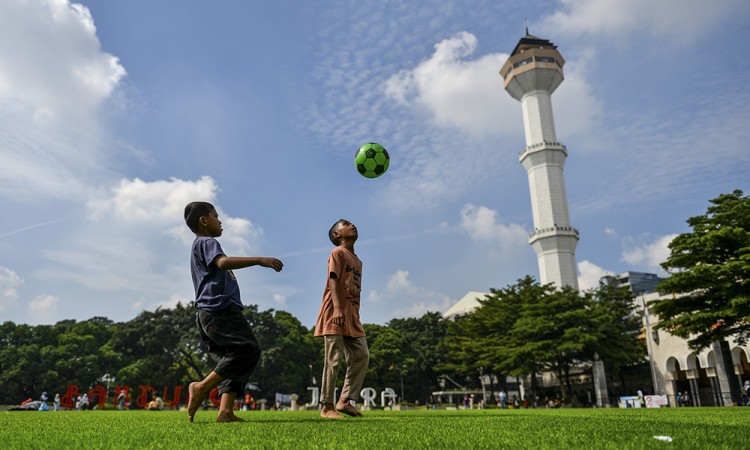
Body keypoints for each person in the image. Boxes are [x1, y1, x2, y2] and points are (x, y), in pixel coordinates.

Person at [183, 201, 284, 423]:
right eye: (216, 216)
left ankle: (225, 411)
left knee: (230, 362)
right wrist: (259, 260)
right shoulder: (207, 242)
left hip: (208, 314)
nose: (220, 221)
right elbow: (223, 263)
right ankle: (201, 388)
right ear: (203, 221)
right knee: (248, 350)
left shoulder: (200, 245)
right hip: (219, 310)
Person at [314, 219, 369, 419]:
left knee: (361, 355)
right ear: (337, 235)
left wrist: (352, 314)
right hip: (334, 312)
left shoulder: (358, 261)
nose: (353, 225)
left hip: (352, 316)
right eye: (345, 224)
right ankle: (327, 407)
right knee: (333, 360)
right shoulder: (337, 253)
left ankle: (345, 400)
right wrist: (337, 309)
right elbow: (333, 279)